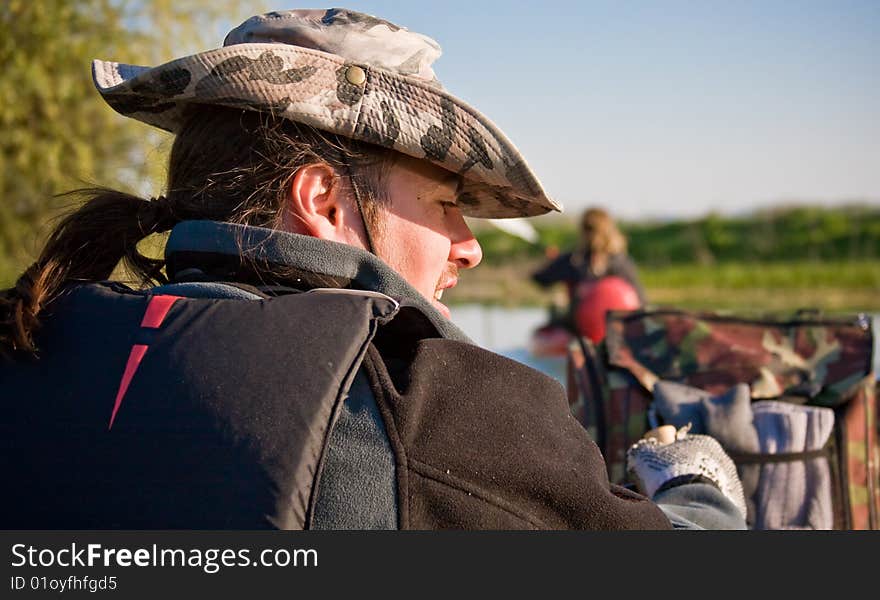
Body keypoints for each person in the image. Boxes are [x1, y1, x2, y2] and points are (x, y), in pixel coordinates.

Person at [0, 8, 745, 530]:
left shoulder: (34, 332)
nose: (469, 243)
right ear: (324, 200)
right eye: (447, 204)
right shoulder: (444, 408)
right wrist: (696, 487)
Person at [532, 207, 645, 336]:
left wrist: (551, 262)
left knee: (556, 306)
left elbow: (541, 279)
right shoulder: (622, 262)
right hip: (619, 331)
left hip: (577, 329)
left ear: (583, 231)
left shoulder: (572, 260)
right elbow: (640, 300)